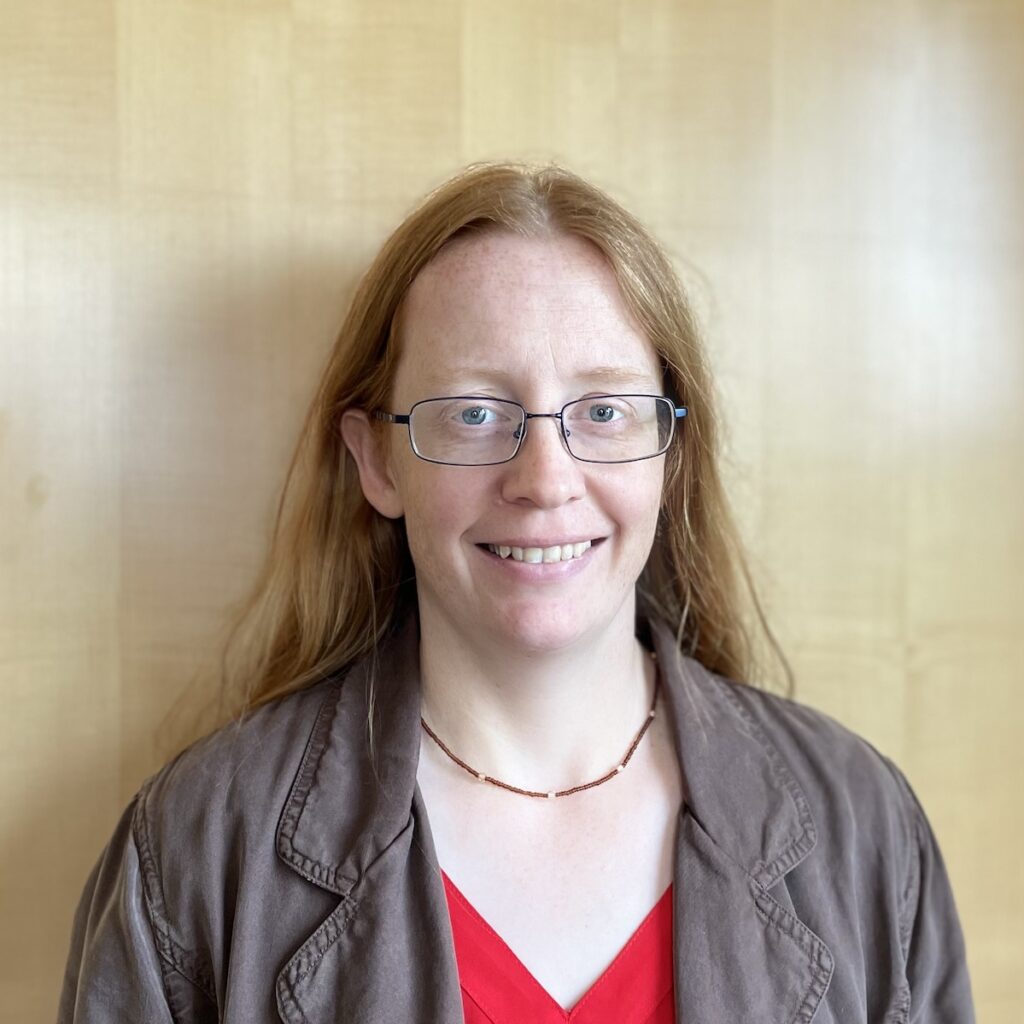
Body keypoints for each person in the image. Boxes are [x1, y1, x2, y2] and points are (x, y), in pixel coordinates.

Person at [58, 162, 975, 1023]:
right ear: (377, 460)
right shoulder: (195, 845)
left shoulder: (865, 828)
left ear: (672, 455)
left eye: (605, 410)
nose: (545, 479)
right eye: (474, 413)